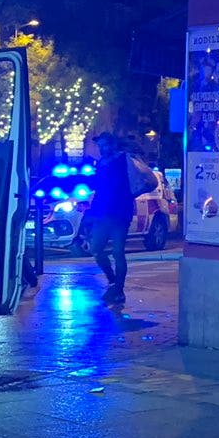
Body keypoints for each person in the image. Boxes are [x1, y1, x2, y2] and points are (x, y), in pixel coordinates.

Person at [89, 132, 159, 308]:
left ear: (112, 144)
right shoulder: (101, 164)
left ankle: (119, 289)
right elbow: (99, 189)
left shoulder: (124, 159)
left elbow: (148, 180)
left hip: (120, 213)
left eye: (105, 145)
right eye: (100, 145)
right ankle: (113, 280)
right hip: (102, 213)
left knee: (118, 251)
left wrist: (131, 195)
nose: (102, 148)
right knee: (96, 248)